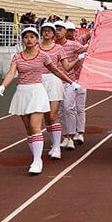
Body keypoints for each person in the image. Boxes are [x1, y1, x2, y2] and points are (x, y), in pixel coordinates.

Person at [0, 27, 78, 174]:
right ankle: (36, 157)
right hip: (22, 92)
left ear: (36, 39)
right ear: (23, 40)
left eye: (32, 37)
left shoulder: (43, 56)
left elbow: (56, 70)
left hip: (37, 92)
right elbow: (11, 73)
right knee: (29, 129)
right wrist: (3, 86)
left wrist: (71, 82)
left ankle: (37, 161)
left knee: (35, 126)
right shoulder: (17, 57)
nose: (29, 39)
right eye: (26, 37)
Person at [38, 21, 73, 159]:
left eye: (49, 30)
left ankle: (57, 147)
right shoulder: (36, 48)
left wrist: (79, 59)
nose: (46, 32)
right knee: (46, 117)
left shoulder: (58, 48)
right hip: (39, 82)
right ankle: (54, 144)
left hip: (54, 81)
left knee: (53, 115)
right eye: (44, 30)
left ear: (53, 34)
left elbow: (66, 66)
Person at [56, 21, 88, 149]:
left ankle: (79, 133)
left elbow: (90, 39)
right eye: (67, 30)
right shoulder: (55, 46)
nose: (69, 33)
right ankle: (66, 135)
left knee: (77, 108)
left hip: (78, 80)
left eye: (71, 31)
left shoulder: (77, 43)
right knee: (62, 111)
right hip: (63, 81)